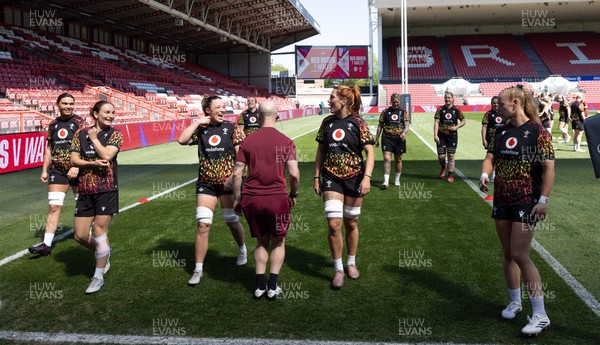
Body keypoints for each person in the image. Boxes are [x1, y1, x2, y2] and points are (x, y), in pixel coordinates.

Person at [480, 85, 554, 336]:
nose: (496, 107)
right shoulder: (500, 131)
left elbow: (548, 168)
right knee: (507, 254)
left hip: (526, 200)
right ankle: (515, 301)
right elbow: (491, 157)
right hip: (502, 199)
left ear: (515, 103)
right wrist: (484, 174)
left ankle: (541, 315)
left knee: (520, 254)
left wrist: (542, 200)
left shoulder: (537, 132)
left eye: (500, 103)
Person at [232, 101, 300, 300]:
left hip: (252, 199)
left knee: (261, 241)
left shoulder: (247, 142)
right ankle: (272, 286)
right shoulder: (286, 141)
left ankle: (260, 286)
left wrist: (238, 199)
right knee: (278, 241)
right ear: (277, 115)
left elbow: (237, 174)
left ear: (259, 117)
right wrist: (293, 195)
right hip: (277, 198)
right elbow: (294, 174)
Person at [178, 95, 247, 286]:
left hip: (227, 185)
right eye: (218, 106)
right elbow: (181, 140)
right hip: (206, 185)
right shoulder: (201, 129)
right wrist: (197, 122)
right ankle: (198, 269)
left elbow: (241, 156)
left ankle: (242, 248)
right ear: (208, 110)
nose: (222, 109)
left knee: (231, 221)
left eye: (223, 106)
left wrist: (234, 177)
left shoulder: (232, 128)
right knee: (203, 224)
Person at [313, 85, 375, 289]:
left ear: (344, 101)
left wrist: (366, 178)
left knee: (351, 223)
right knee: (334, 224)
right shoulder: (327, 122)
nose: (329, 101)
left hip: (355, 178)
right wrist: (316, 176)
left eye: (331, 98)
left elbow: (370, 153)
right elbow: (321, 151)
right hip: (331, 178)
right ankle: (338, 268)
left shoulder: (358, 122)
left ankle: (351, 263)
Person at [70, 101, 123, 294]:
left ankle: (98, 277)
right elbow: (74, 159)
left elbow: (107, 156)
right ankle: (104, 253)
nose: (111, 115)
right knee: (80, 235)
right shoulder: (80, 133)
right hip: (85, 189)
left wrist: (95, 140)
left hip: (107, 189)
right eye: (107, 112)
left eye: (113, 112)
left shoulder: (115, 134)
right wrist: (90, 163)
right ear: (95, 113)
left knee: (99, 231)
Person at [29, 93, 85, 256]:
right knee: (54, 206)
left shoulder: (80, 122)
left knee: (81, 204)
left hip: (77, 169)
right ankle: (46, 245)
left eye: (71, 104)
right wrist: (45, 169)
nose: (68, 106)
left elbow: (85, 146)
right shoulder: (53, 125)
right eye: (65, 103)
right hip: (58, 170)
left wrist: (76, 165)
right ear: (58, 105)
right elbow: (49, 149)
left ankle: (86, 234)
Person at [374, 93, 410, 189]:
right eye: (394, 102)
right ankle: (385, 182)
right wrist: (377, 139)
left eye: (397, 102)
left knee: (398, 159)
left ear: (399, 102)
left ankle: (397, 179)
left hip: (399, 139)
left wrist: (404, 133)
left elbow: (407, 125)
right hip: (387, 138)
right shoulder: (385, 112)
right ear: (391, 101)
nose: (395, 104)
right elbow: (380, 125)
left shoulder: (404, 112)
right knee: (387, 158)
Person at [434, 91, 466, 183]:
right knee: (441, 156)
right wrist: (435, 135)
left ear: (452, 99)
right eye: (446, 97)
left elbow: (463, 121)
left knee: (451, 156)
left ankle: (450, 175)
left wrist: (456, 127)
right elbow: (436, 123)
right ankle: (443, 167)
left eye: (449, 97)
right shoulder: (440, 110)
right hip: (441, 136)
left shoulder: (456, 110)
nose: (447, 99)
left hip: (452, 136)